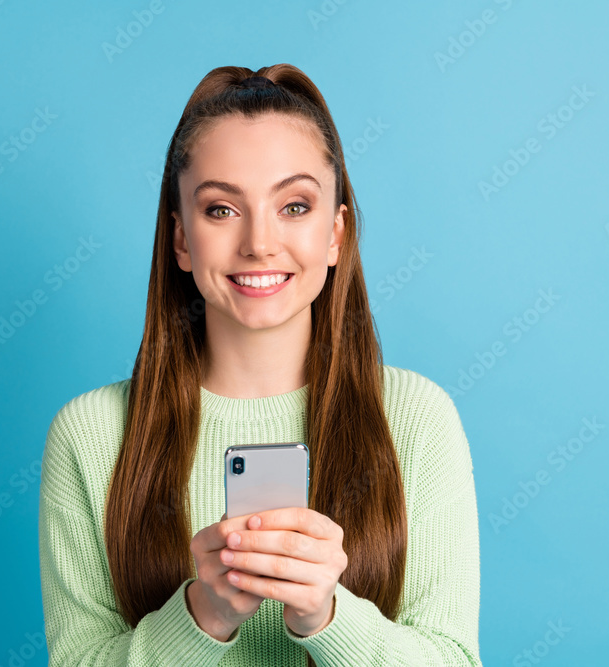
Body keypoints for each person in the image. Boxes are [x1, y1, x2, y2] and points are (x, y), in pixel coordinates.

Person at [38, 64, 482, 666]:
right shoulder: (91, 435)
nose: (260, 244)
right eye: (222, 209)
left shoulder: (417, 419)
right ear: (181, 239)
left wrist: (326, 617)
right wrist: (203, 615)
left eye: (294, 206)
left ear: (336, 233)